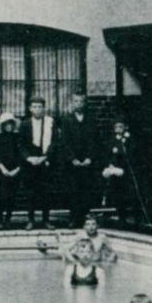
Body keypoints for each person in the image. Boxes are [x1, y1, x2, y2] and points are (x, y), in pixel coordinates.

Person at [59, 92, 99, 228]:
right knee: (73, 191)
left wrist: (89, 157)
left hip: (87, 162)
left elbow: (94, 141)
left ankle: (85, 220)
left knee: (86, 190)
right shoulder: (67, 120)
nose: (79, 104)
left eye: (81, 101)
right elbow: (65, 142)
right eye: (76, 101)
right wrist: (72, 159)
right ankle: (73, 218)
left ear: (85, 103)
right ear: (72, 103)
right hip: (72, 164)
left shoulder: (91, 119)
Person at [19, 97, 56, 229]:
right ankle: (31, 220)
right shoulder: (24, 124)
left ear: (44, 108)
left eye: (40, 107)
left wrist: (45, 157)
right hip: (30, 162)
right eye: (34, 107)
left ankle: (46, 220)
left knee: (46, 192)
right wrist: (28, 158)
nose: (37, 109)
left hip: (44, 160)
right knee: (30, 193)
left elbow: (54, 142)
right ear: (30, 109)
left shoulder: (50, 123)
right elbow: (21, 144)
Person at [102, 120, 134, 223]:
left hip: (127, 171)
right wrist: (110, 164)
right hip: (116, 171)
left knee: (128, 192)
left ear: (125, 127)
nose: (118, 129)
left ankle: (133, 215)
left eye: (121, 126)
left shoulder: (128, 140)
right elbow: (108, 154)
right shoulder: (112, 141)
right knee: (117, 193)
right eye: (116, 127)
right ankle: (121, 215)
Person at [0, 113, 21, 229]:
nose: (9, 126)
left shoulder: (17, 137)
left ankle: (8, 219)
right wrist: (2, 168)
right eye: (6, 124)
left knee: (12, 196)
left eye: (11, 123)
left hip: (15, 171)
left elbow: (21, 155)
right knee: (2, 196)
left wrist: (17, 169)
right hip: (1, 171)